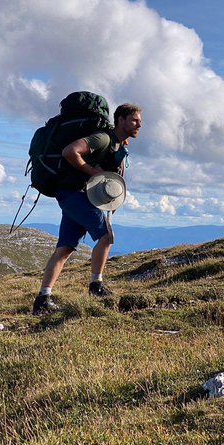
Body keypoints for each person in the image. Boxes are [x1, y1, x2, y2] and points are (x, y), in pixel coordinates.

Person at [32, 103, 142, 315]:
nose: (139, 124)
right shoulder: (103, 138)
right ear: (121, 120)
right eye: (135, 120)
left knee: (65, 248)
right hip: (73, 193)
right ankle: (96, 286)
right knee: (105, 236)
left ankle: (43, 299)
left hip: (77, 194)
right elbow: (69, 151)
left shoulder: (119, 145)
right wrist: (91, 171)